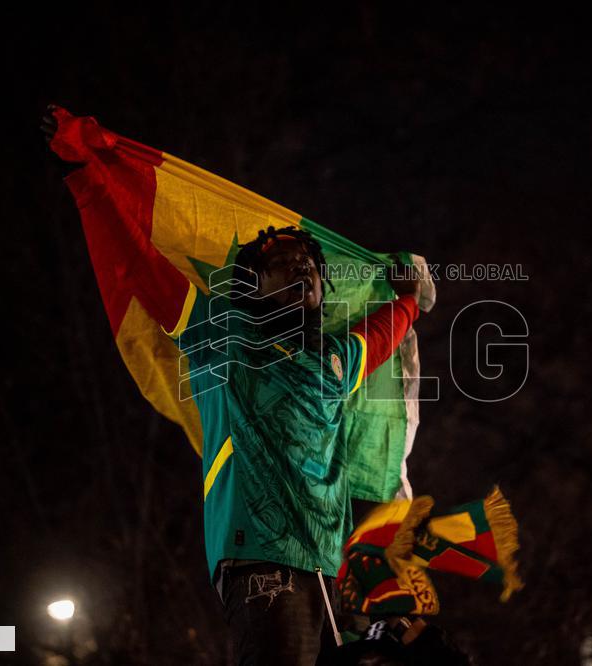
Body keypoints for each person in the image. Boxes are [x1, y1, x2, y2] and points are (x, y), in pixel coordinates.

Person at [42, 107, 426, 664]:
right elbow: (139, 262)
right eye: (284, 263)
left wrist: (410, 300)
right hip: (260, 562)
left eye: (311, 268)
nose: (302, 272)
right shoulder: (219, 335)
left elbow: (380, 331)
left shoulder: (333, 361)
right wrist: (91, 173)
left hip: (320, 565)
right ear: (251, 285)